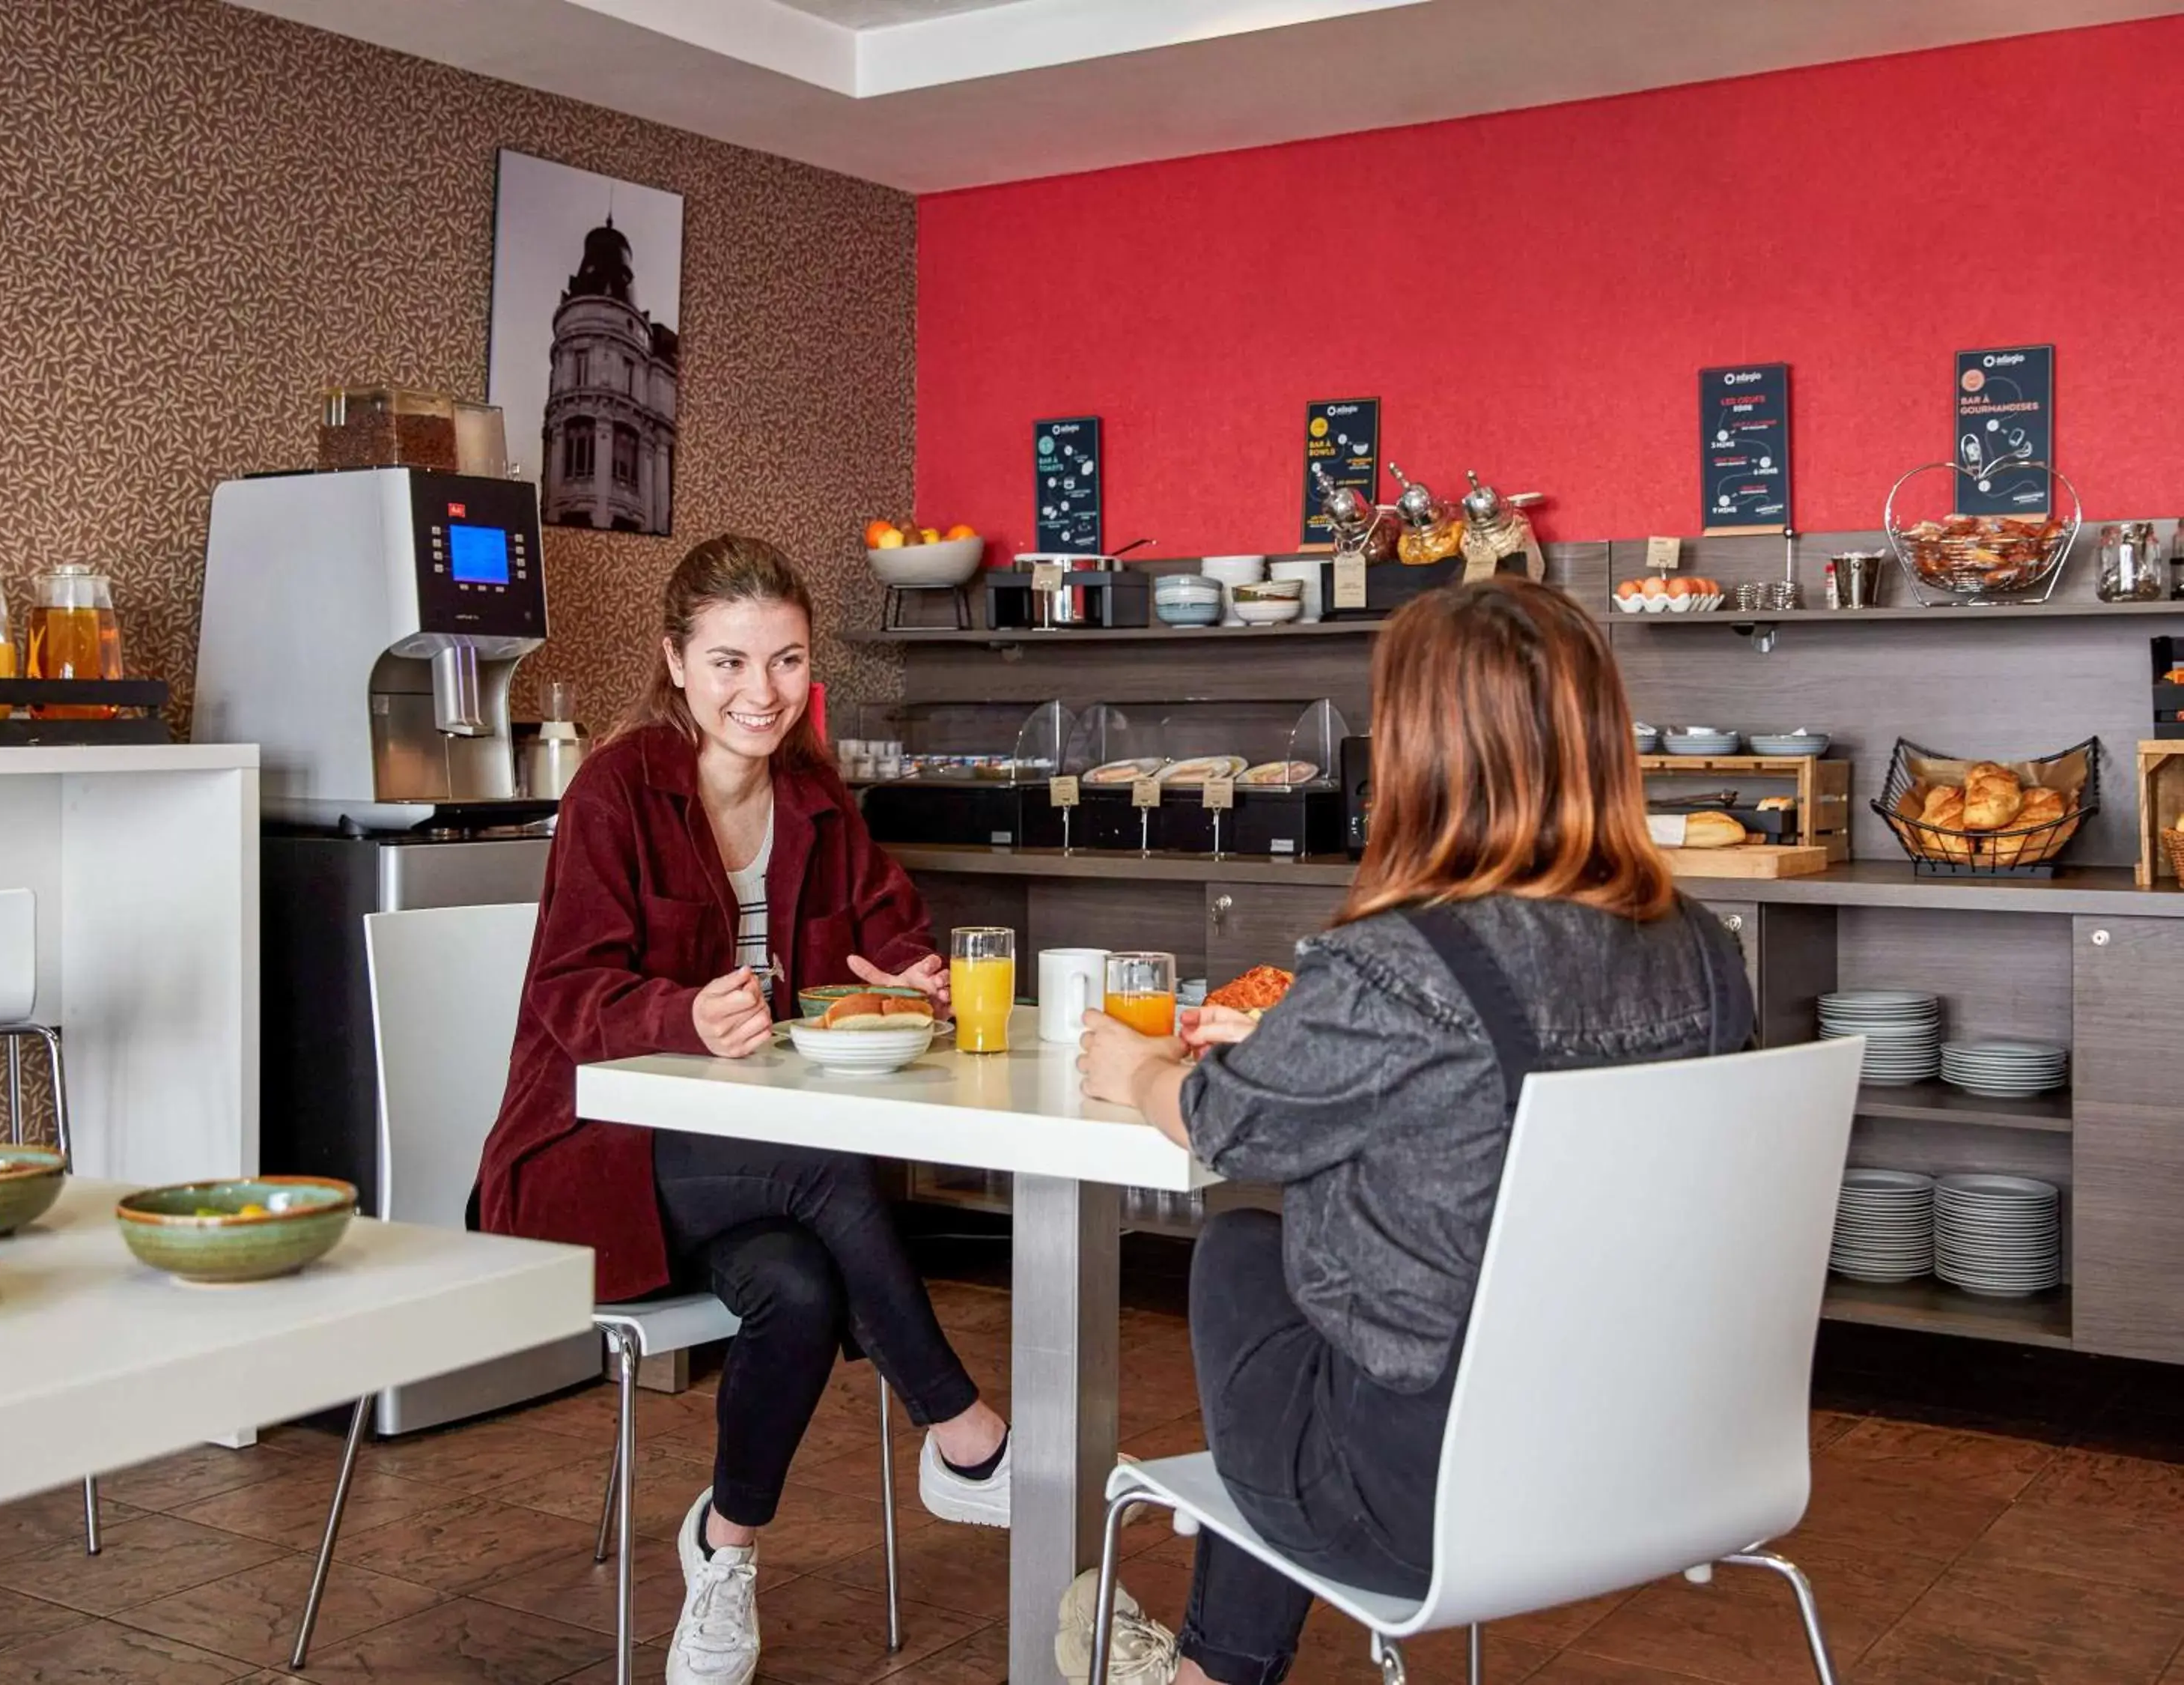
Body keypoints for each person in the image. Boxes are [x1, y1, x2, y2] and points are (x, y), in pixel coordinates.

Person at [1062, 578, 1755, 1685]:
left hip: (1427, 1497)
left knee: (1246, 1251)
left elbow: (1224, 1126)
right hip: (1653, 1466)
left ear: (1422, 752)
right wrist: (1306, 1039)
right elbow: (1483, 1107)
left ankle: (1210, 1675)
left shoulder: (1404, 961)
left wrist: (1143, 1064)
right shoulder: (1709, 954)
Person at [475, 535, 1012, 1685]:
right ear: (675, 661)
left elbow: (890, 924)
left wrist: (908, 975)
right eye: (727, 661)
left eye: (784, 661)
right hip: (588, 1159)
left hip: (745, 1162)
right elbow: (569, 997)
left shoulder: (814, 792)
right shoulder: (615, 790)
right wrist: (680, 1014)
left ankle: (724, 1549)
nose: (759, 693)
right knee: (823, 1171)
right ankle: (967, 1435)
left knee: (804, 1288)